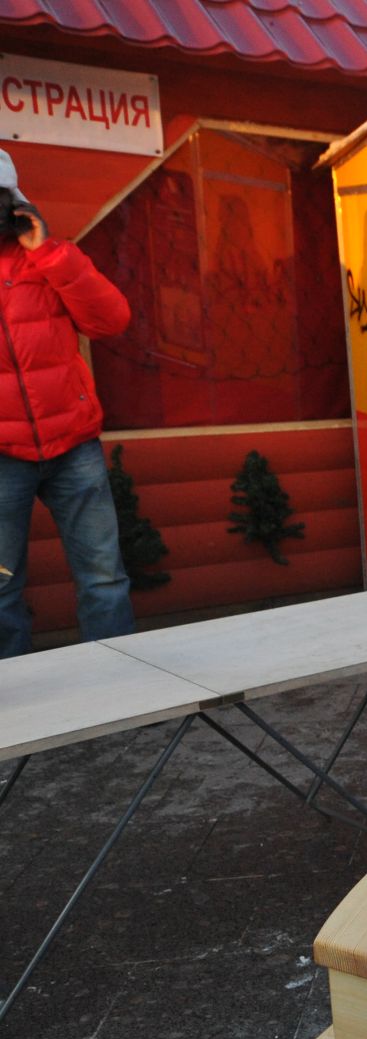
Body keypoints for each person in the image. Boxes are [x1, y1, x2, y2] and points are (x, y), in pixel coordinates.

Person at [0, 150, 135, 659]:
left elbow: (111, 321)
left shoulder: (49, 255)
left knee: (103, 578)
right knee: (1, 588)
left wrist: (49, 251)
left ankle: (118, 688)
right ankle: (16, 709)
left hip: (73, 445)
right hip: (2, 456)